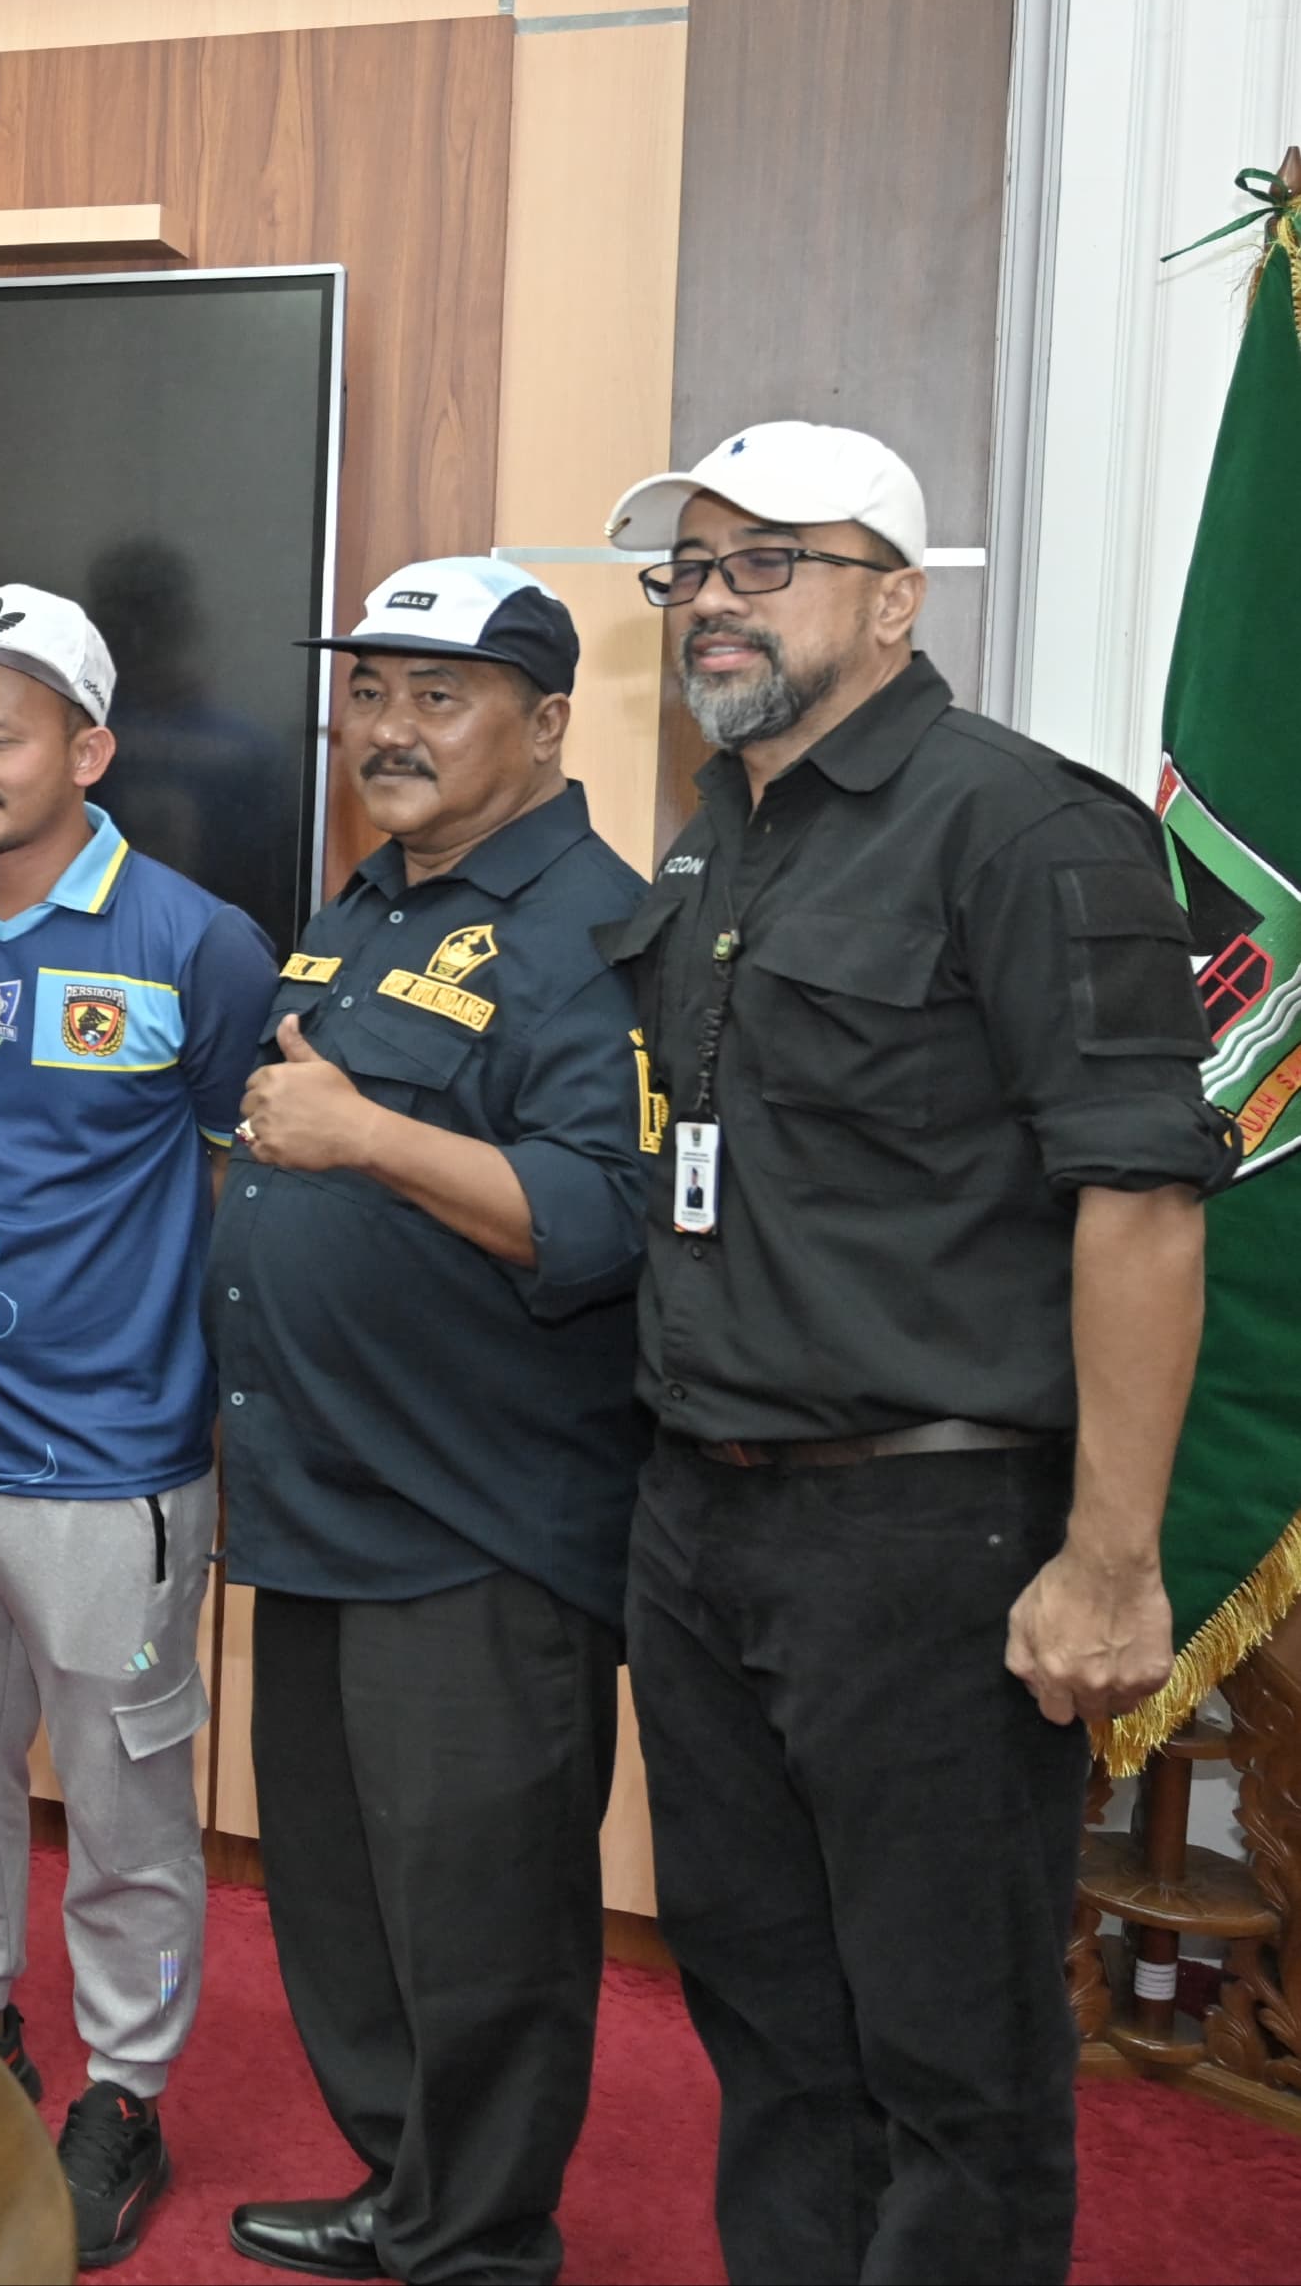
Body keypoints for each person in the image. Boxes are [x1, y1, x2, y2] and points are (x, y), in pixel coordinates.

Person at [601, 423, 1228, 2284]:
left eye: (764, 559)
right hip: (701, 1518)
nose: (713, 598)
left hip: (929, 1534)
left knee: (949, 2052)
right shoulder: (721, 831)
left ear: (892, 597)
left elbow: (1140, 1206)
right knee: (766, 2017)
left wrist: (1106, 1558)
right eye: (689, 568)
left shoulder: (1028, 827)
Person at [203, 561, 652, 2285]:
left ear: (543, 722)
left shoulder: (591, 926)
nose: (387, 726)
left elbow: (596, 1218)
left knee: (479, 1927)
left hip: (474, 1524)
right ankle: (407, 2189)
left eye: (436, 694)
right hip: (322, 1499)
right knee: (338, 1898)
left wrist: (358, 1138)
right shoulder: (371, 896)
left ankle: (478, 2240)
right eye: (370, 688)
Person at [0, 585, 270, 2271]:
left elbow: (249, 1162)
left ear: (85, 750)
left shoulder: (193, 941)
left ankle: (126, 2085)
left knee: (127, 1816)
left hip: (116, 1471)